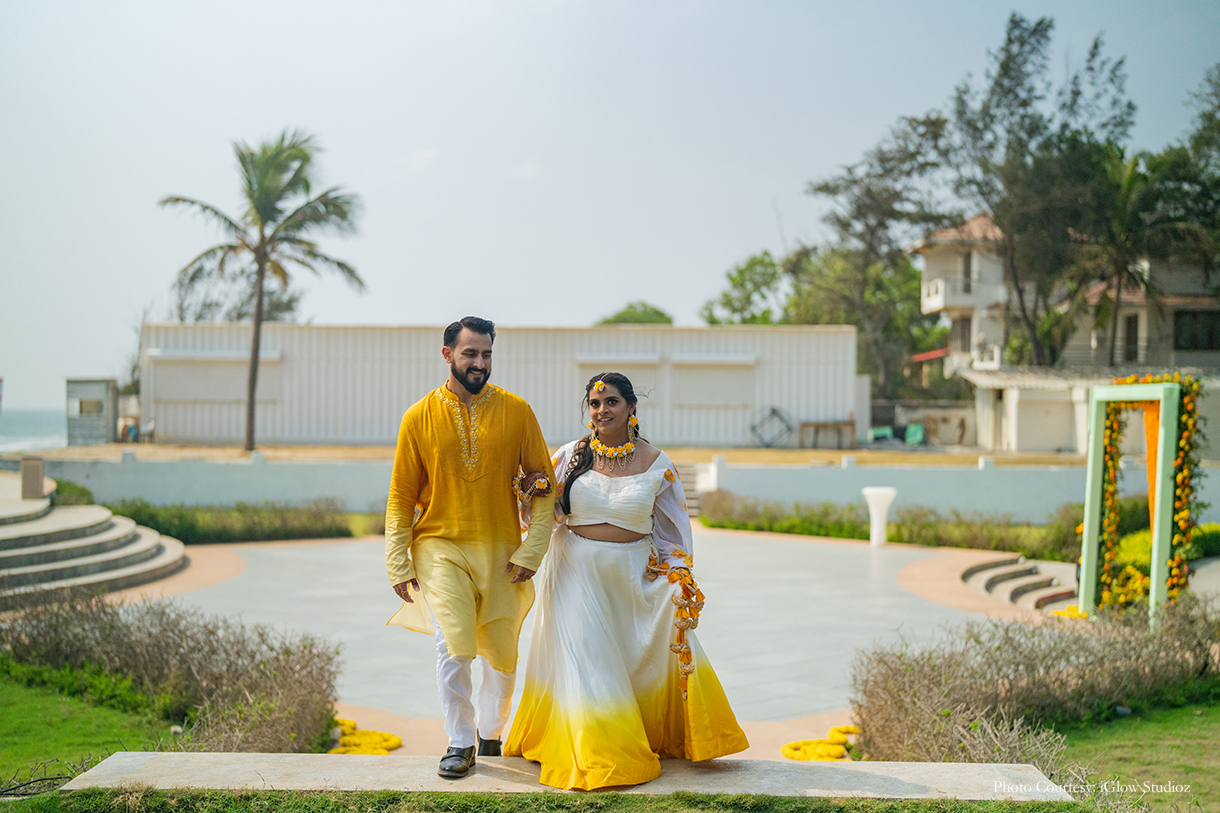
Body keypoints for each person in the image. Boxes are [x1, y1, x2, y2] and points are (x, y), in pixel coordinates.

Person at [503, 372, 749, 789]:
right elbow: (537, 511)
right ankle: (599, 753)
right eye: (595, 404)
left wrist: (679, 574)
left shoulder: (657, 462)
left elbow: (673, 530)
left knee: (632, 664)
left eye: (612, 402)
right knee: (589, 664)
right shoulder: (569, 456)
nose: (603, 411)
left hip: (632, 575)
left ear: (632, 407)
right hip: (574, 570)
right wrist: (526, 494)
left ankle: (640, 731)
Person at [384, 316, 556, 779]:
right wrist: (397, 560)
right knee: (454, 643)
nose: (480, 363)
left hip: (502, 548)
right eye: (470, 354)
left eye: (486, 354)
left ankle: (491, 733)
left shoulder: (518, 412)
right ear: (448, 355)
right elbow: (401, 496)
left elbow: (544, 484)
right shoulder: (418, 417)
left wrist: (532, 550)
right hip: (440, 546)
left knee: (502, 655)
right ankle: (460, 741)